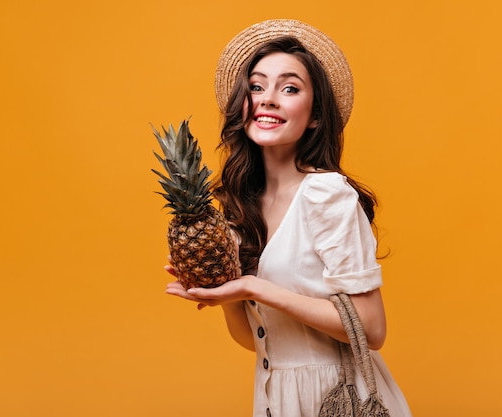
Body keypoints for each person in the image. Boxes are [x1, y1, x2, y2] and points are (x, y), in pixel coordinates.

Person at [165, 19, 412, 417]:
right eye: (257, 86)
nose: (268, 99)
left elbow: (372, 329)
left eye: (290, 88)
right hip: (274, 397)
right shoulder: (240, 208)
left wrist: (255, 288)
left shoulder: (326, 195)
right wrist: (228, 297)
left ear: (315, 116)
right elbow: (261, 343)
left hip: (338, 400)